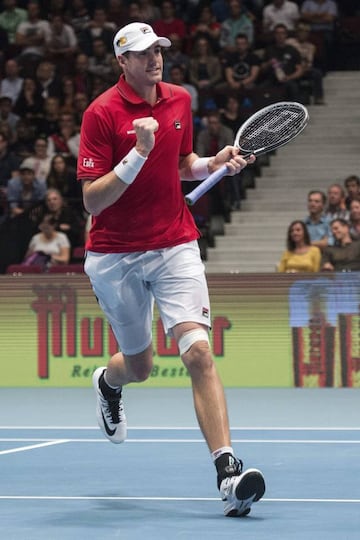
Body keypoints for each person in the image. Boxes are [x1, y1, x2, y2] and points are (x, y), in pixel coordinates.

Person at [77, 21, 265, 517]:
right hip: (114, 253)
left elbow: (181, 162)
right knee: (139, 365)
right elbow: (93, 200)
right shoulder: (100, 114)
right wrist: (138, 152)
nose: (154, 59)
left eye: (157, 50)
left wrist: (212, 163)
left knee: (198, 352)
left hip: (174, 243)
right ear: (122, 61)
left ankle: (228, 471)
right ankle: (108, 383)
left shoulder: (179, 98)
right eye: (141, 54)